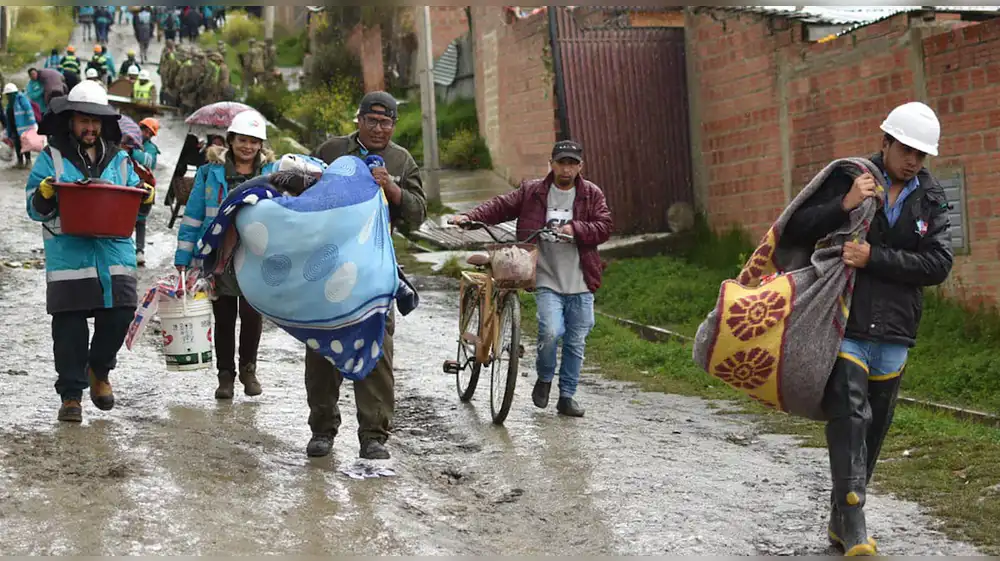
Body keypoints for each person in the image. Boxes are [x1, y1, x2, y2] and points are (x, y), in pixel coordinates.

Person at [780, 102, 953, 556]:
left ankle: (841, 517)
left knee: (874, 426)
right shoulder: (850, 175)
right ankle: (855, 523)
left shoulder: (931, 198)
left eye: (921, 153)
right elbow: (795, 228)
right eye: (906, 149)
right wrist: (845, 204)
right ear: (886, 142)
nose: (913, 159)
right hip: (844, 318)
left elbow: (938, 263)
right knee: (851, 415)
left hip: (896, 328)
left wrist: (874, 257)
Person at [451, 140, 612, 417]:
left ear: (580, 167)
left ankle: (567, 396)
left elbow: (605, 226)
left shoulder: (591, 194)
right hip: (545, 276)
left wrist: (576, 229)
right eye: (562, 162)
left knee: (576, 341)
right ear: (552, 163)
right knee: (550, 331)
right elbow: (500, 206)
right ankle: (545, 377)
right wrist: (470, 216)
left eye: (572, 163)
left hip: (581, 280)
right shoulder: (534, 191)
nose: (566, 169)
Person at [306, 91, 427, 460]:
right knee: (323, 349)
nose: (378, 128)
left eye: (386, 122)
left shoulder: (401, 160)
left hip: (374, 269)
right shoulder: (331, 151)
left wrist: (391, 187)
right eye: (371, 121)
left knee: (375, 349)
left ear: (393, 125)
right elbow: (301, 193)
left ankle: (373, 435)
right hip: (327, 267)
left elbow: (418, 214)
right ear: (357, 119)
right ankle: (322, 430)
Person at [25, 80, 154, 422]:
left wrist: (146, 200)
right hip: (69, 258)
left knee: (121, 314)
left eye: (96, 122)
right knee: (69, 329)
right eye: (84, 120)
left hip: (115, 257)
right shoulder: (50, 158)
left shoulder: (122, 160)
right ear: (71, 120)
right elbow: (33, 209)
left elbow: (135, 207)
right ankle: (71, 395)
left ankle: (99, 370)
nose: (90, 127)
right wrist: (44, 195)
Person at [174, 111, 277, 401]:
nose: (248, 147)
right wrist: (184, 258)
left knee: (252, 314)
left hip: (257, 255)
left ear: (261, 145)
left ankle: (248, 369)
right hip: (219, 254)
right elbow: (193, 216)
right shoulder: (210, 172)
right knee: (224, 316)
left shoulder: (271, 173)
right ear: (230, 140)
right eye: (242, 140)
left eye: (254, 142)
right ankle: (225, 375)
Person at [4, 83, 38, 168]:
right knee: (17, 145)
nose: (8, 96)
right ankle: (20, 161)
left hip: (23, 127)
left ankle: (28, 161)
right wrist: (8, 132)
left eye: (9, 94)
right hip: (14, 127)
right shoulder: (10, 104)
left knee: (25, 144)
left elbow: (29, 111)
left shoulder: (21, 99)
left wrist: (33, 124)